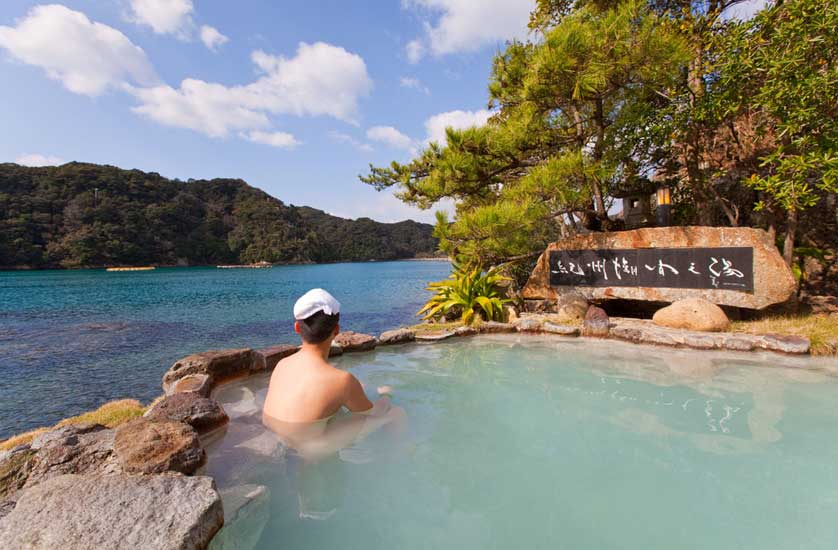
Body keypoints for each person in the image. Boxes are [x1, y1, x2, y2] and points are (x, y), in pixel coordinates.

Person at [262, 288, 404, 461]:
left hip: (274, 437)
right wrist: (386, 395)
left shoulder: (282, 364)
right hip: (310, 448)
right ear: (336, 330)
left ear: (297, 327)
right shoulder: (342, 380)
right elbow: (372, 414)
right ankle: (397, 457)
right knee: (395, 412)